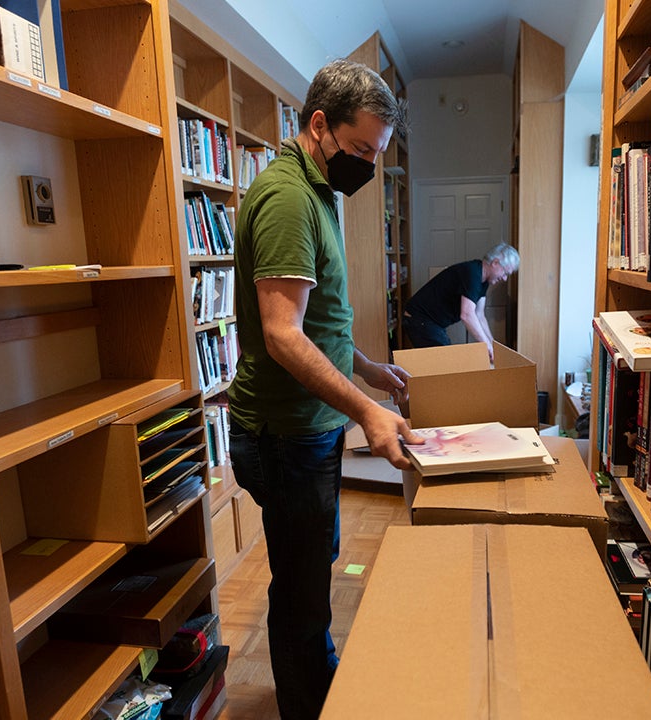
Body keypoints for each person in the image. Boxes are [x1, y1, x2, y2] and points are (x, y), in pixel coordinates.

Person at [226, 58, 422, 720]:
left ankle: (317, 681)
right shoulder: (287, 199)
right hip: (284, 435)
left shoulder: (317, 191)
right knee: (303, 589)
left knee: (310, 569)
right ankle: (310, 704)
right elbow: (282, 335)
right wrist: (367, 410)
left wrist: (367, 370)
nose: (366, 165)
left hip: (304, 429)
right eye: (361, 148)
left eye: (377, 152)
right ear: (319, 125)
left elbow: (321, 324)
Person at [402, 242, 520, 361]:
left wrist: (493, 346)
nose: (505, 278)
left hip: (430, 322)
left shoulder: (483, 281)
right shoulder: (472, 273)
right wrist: (488, 347)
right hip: (419, 319)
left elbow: (479, 315)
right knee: (445, 364)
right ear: (495, 263)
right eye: (505, 273)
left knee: (444, 364)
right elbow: (467, 315)